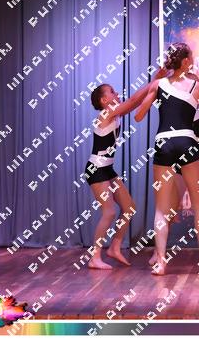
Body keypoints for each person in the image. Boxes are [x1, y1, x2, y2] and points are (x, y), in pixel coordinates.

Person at [134, 43, 199, 275]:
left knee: (161, 209)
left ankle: (161, 262)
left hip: (163, 142)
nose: (193, 59)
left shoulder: (158, 84)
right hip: (187, 141)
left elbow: (138, 116)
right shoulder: (198, 87)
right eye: (191, 56)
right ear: (185, 61)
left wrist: (155, 88)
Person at [82, 66, 166, 269]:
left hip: (107, 169)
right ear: (104, 100)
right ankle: (94, 257)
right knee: (109, 212)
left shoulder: (114, 113)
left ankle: (114, 247)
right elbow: (133, 101)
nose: (116, 93)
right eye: (112, 92)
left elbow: (134, 104)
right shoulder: (106, 114)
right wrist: (154, 81)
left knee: (129, 207)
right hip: (96, 169)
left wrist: (154, 85)